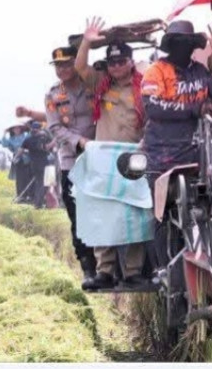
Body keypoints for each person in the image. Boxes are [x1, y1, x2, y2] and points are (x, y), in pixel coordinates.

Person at [141, 20, 212, 269]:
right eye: (177, 43)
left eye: (187, 43)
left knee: (202, 210)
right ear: (170, 45)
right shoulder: (156, 71)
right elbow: (153, 108)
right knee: (162, 215)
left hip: (195, 154)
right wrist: (193, 109)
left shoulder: (200, 72)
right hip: (160, 156)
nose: (183, 48)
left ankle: (204, 263)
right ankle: (163, 270)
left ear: (193, 46)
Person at [74, 16, 149, 290]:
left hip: (134, 159)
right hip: (104, 161)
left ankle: (132, 272)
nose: (116, 66)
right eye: (112, 62)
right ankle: (104, 271)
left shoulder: (144, 86)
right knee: (103, 214)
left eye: (121, 61)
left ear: (130, 62)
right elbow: (80, 67)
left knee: (135, 213)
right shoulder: (100, 84)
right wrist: (86, 42)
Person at [17, 46, 98, 285]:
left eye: (67, 64)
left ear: (76, 63)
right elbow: (54, 127)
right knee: (77, 215)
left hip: (100, 157)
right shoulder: (53, 95)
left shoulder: (94, 85)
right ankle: (88, 267)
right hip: (71, 160)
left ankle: (110, 266)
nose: (62, 69)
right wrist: (79, 141)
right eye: (58, 66)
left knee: (103, 211)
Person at [0, 123, 32, 201]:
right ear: (12, 130)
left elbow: (32, 138)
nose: (17, 130)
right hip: (17, 160)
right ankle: (20, 195)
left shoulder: (25, 136)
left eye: (18, 128)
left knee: (27, 177)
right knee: (19, 179)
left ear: (21, 129)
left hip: (27, 159)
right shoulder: (12, 139)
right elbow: (3, 143)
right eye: (15, 129)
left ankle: (29, 195)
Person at [18, 119, 55, 208]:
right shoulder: (43, 138)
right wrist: (54, 141)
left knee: (39, 183)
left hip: (33, 165)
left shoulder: (28, 139)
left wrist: (19, 156)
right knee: (44, 184)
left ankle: (39, 202)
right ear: (39, 129)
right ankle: (38, 204)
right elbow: (47, 147)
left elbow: (20, 151)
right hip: (44, 164)